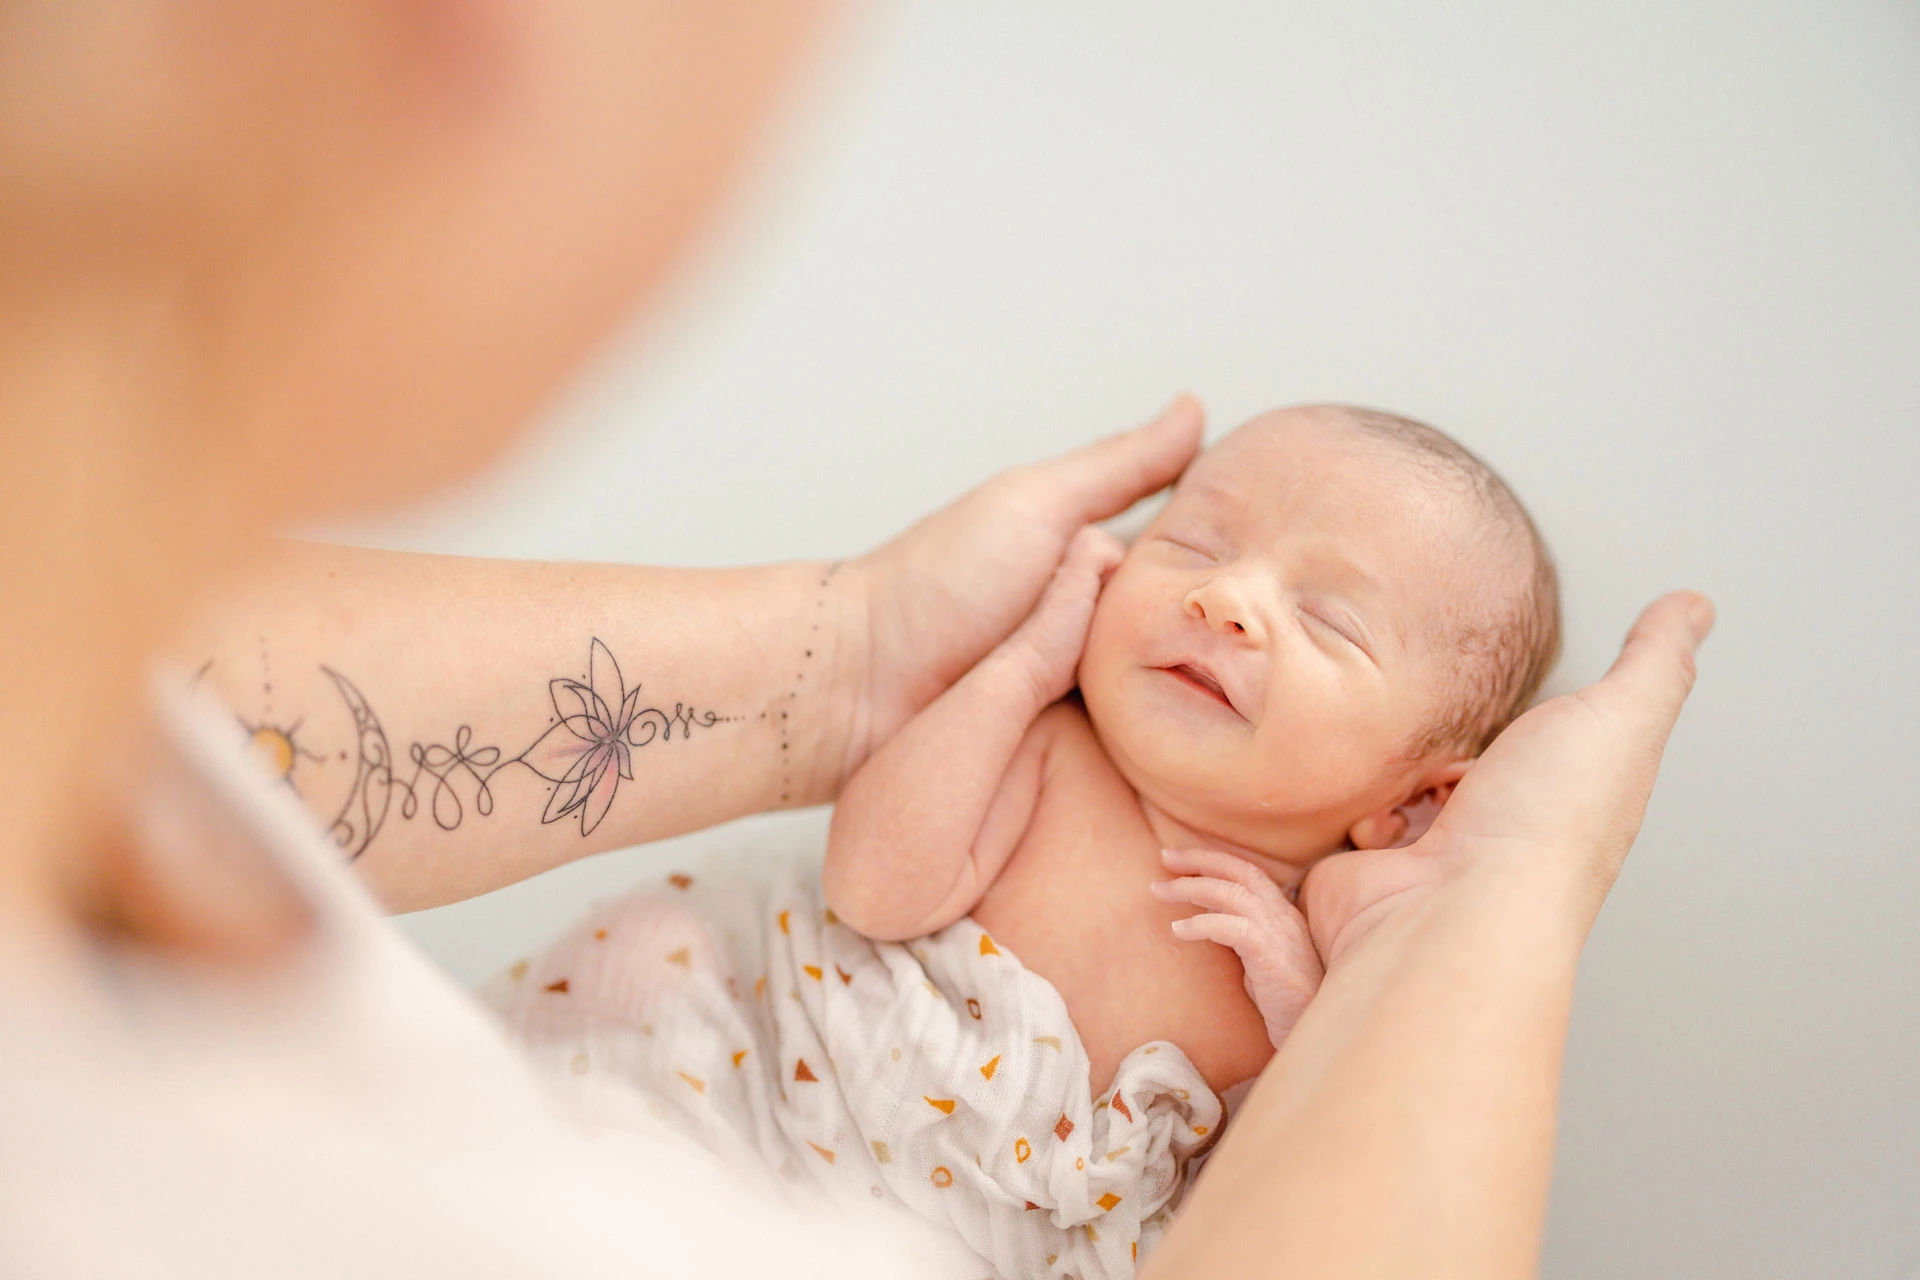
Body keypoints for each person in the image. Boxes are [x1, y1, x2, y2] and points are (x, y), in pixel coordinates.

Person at [0, 3, 1712, 1277]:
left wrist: (1348, 977)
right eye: (1199, 541)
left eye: (1325, 621)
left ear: (1414, 797)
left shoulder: (1313, 964)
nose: (1226, 599)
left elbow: (1251, 1174)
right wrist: (995, 676)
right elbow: (886, 883)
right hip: (755, 1101)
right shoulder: (1040, 744)